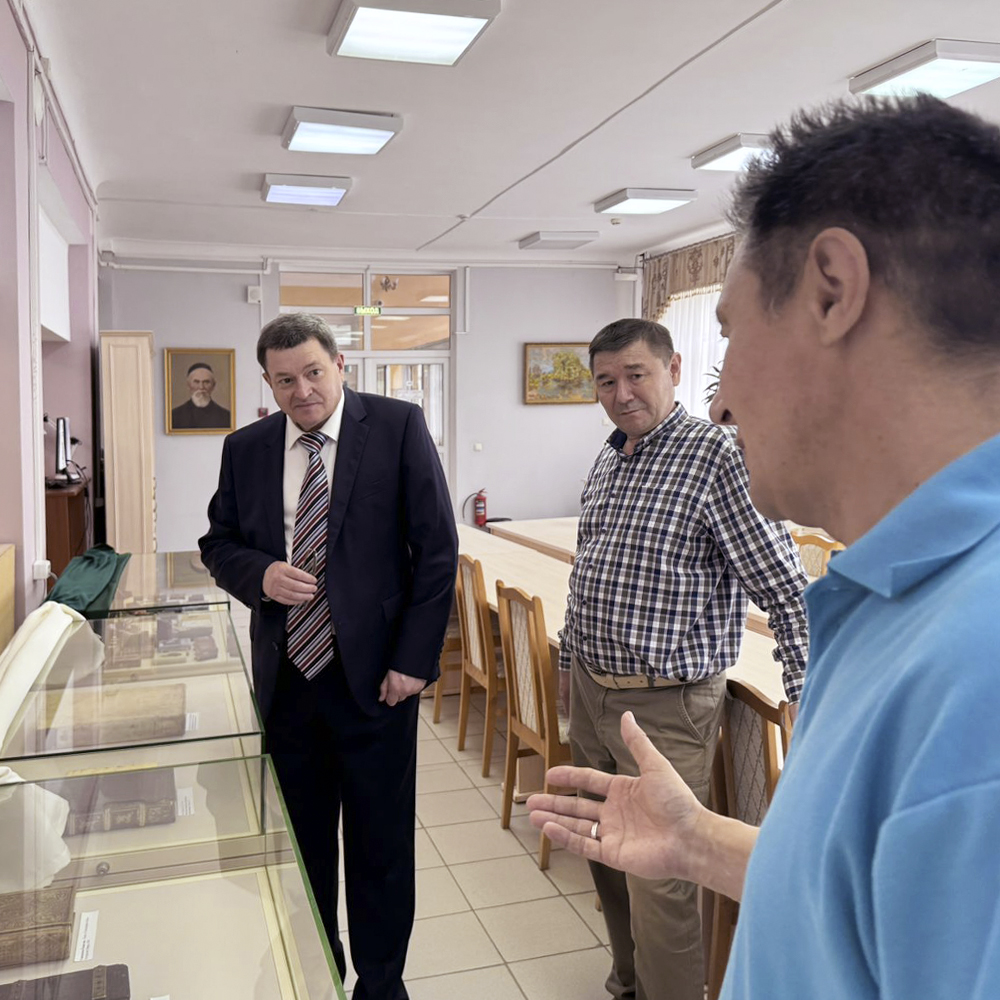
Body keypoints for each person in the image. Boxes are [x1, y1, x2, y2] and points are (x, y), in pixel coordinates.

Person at [530, 94, 1000, 1000]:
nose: (722, 400)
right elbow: (853, 897)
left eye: (732, 334)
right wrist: (698, 841)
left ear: (832, 290)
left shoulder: (976, 672)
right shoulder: (892, 594)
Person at [199, 313, 457, 1000]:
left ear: (340, 365)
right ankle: (317, 974)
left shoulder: (397, 427)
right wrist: (259, 573)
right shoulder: (246, 448)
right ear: (268, 383)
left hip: (378, 682)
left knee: (380, 849)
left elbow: (437, 550)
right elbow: (217, 543)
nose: (302, 391)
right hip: (288, 683)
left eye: (313, 372)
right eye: (285, 380)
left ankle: (381, 985)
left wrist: (414, 661)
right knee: (300, 848)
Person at [560, 316, 809, 1000]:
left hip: (667, 703)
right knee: (605, 850)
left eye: (636, 375)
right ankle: (627, 984)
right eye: (606, 382)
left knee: (660, 878)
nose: (621, 394)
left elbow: (788, 590)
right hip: (593, 690)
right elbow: (588, 574)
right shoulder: (612, 455)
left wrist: (806, 696)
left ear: (672, 368)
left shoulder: (717, 457)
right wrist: (569, 670)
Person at [171, 362, 231, 429]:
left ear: (213, 385)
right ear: (188, 385)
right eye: (196, 382)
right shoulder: (174, 416)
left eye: (206, 382)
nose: (201, 387)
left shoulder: (227, 417)